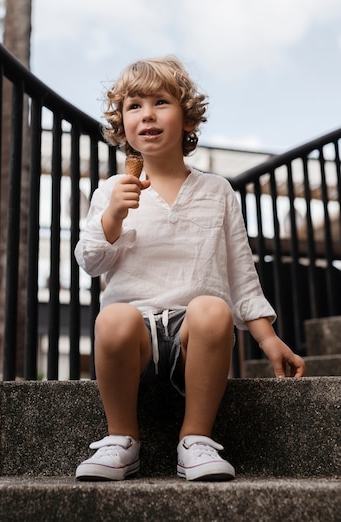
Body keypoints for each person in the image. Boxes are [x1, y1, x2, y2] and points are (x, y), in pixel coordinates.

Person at [74, 56, 306, 482]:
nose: (147, 114)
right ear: (122, 125)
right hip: (135, 337)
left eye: (161, 102)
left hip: (194, 338)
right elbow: (90, 262)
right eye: (134, 106)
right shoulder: (111, 190)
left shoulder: (218, 191)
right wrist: (112, 219)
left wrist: (268, 339)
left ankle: (195, 439)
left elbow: (240, 273)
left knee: (213, 309)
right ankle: (121, 439)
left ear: (188, 120)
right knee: (113, 319)